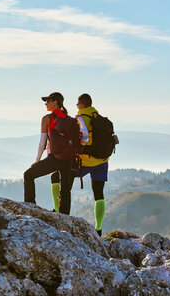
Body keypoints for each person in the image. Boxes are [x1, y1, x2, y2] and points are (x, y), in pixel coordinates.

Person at [23, 92, 73, 215]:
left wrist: (38, 160)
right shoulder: (70, 119)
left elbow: (42, 143)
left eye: (48, 101)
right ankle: (65, 217)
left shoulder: (47, 118)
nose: (46, 103)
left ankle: (30, 207)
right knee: (65, 190)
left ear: (55, 102)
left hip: (55, 158)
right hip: (70, 159)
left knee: (28, 175)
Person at [73, 93, 109, 236]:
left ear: (81, 104)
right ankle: (98, 228)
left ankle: (60, 212)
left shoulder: (81, 119)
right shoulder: (100, 118)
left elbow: (83, 138)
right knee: (99, 194)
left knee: (60, 177)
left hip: (86, 160)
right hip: (103, 161)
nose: (77, 107)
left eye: (77, 105)